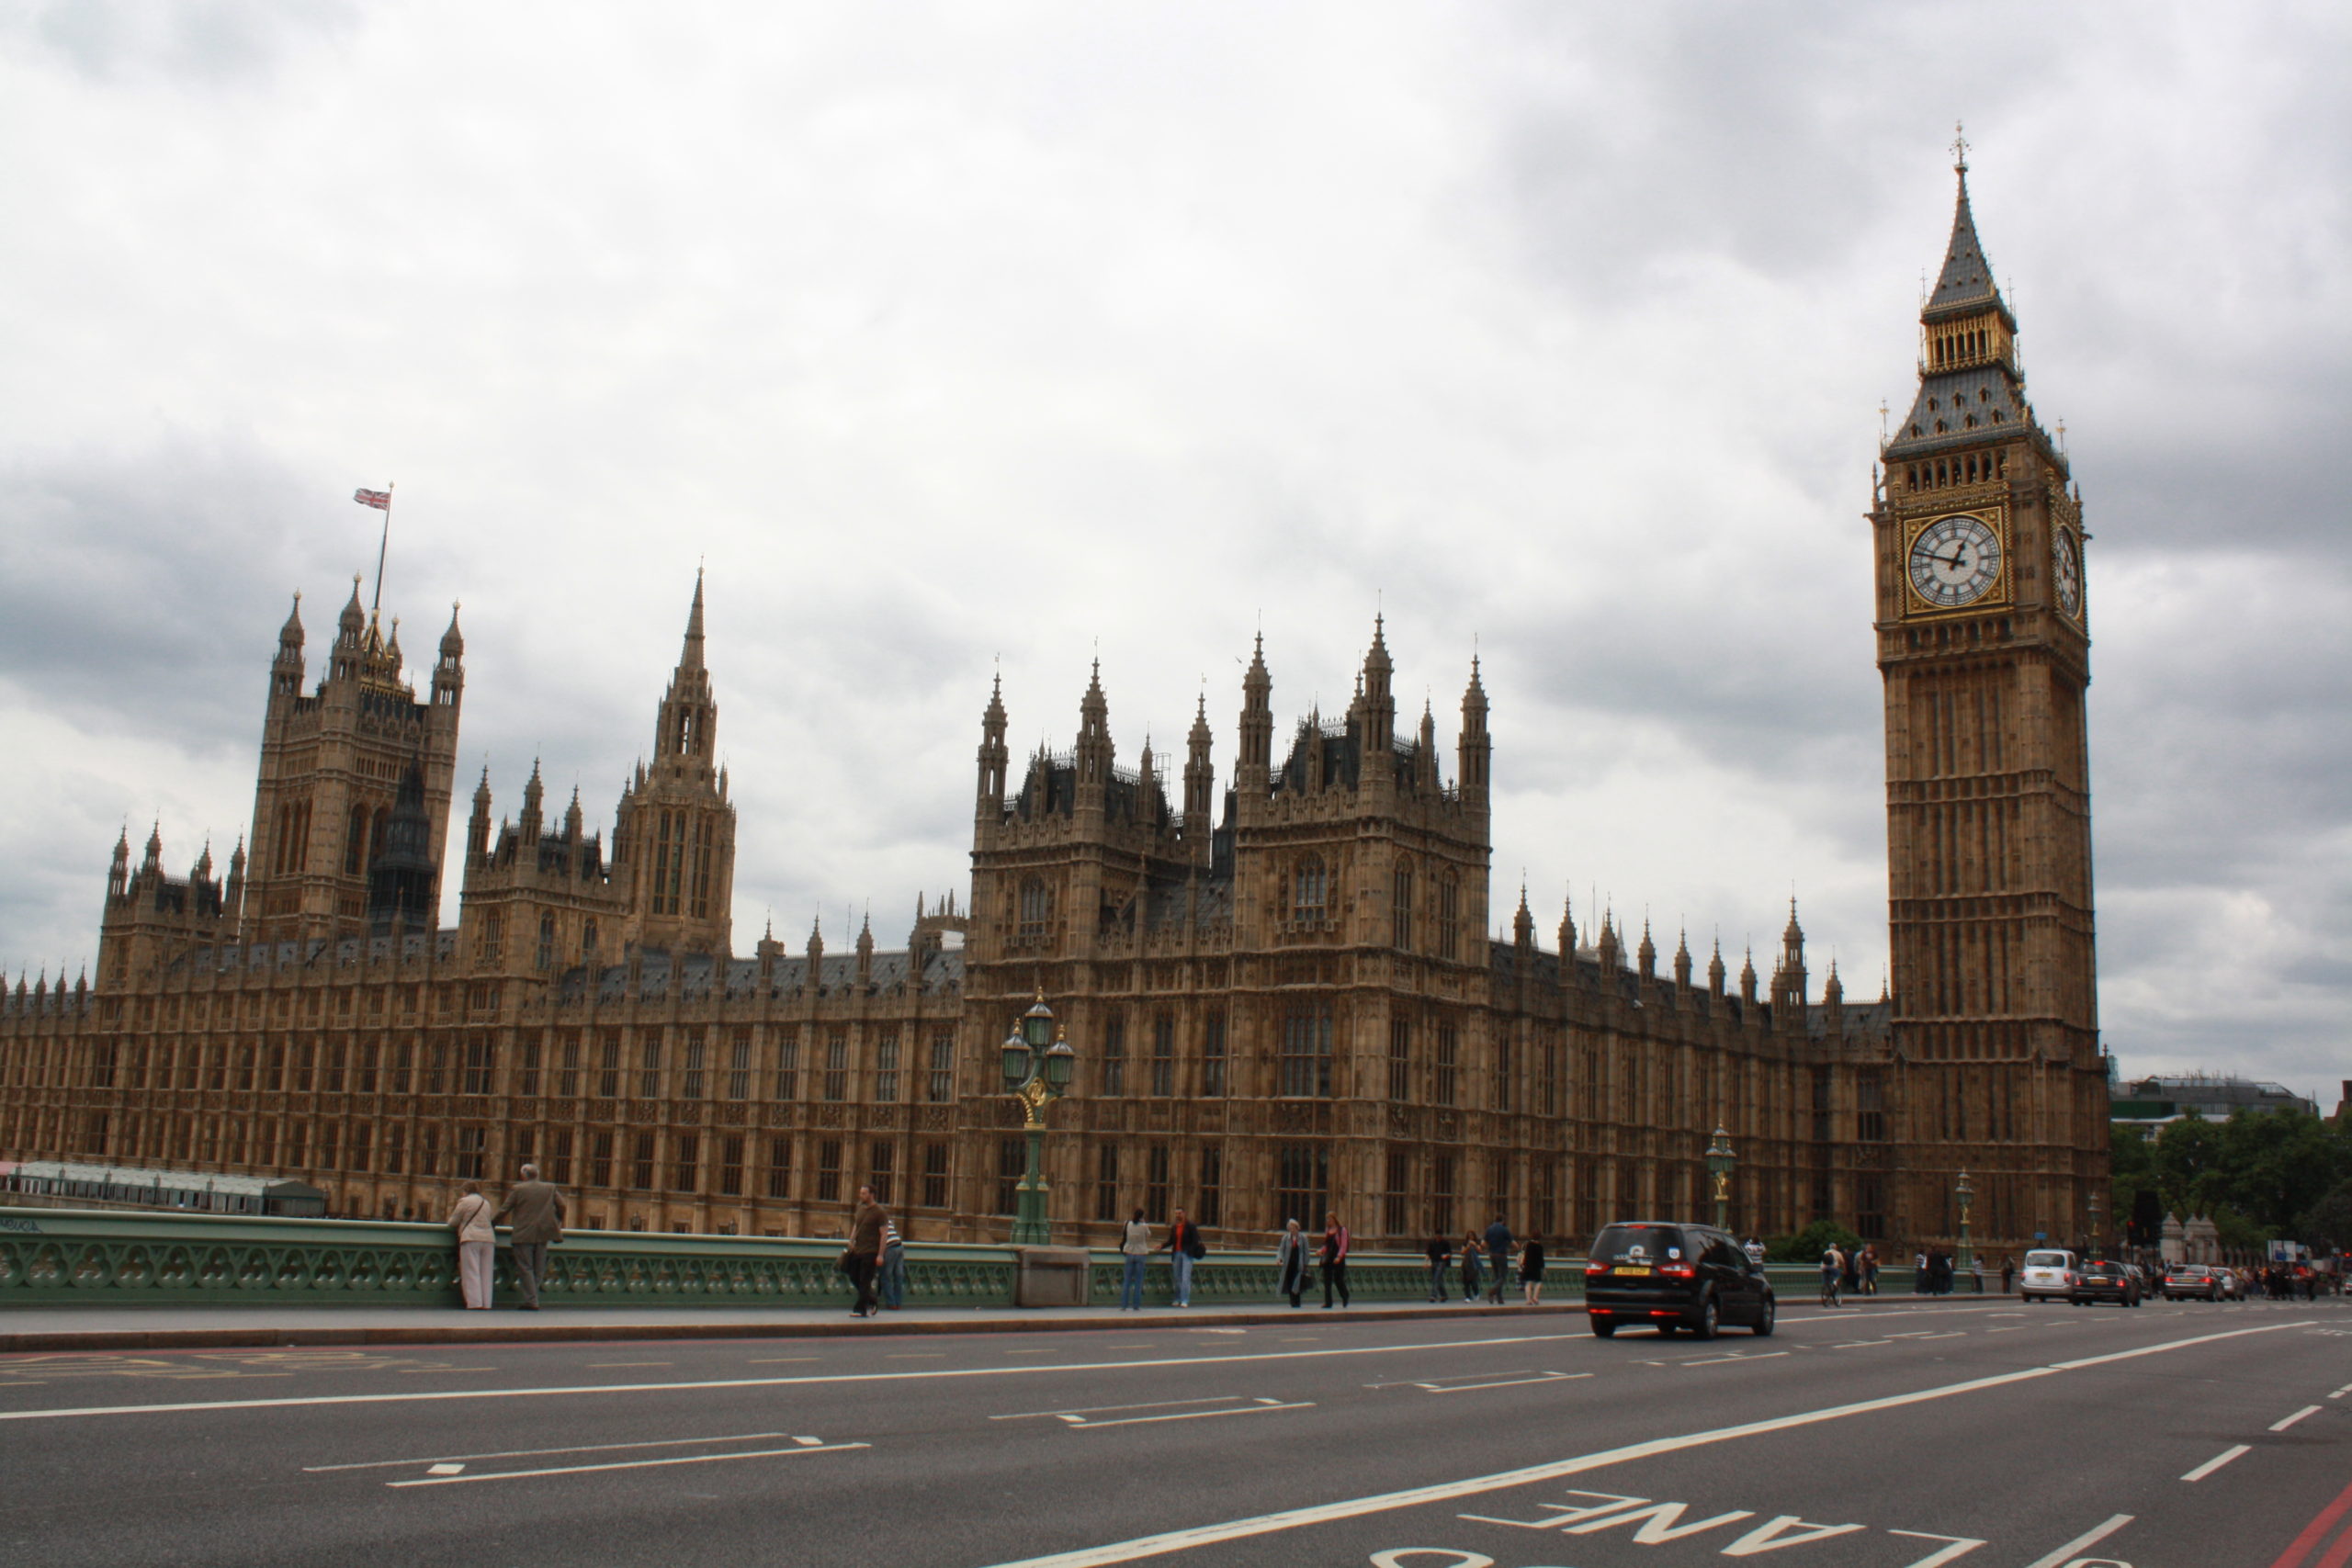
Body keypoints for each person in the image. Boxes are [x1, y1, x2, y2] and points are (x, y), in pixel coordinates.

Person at [493, 1162, 565, 1312]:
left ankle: (532, 1301)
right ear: (537, 1174)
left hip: (524, 1233)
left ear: (523, 1175)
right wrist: (557, 1220)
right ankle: (533, 1298)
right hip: (544, 1232)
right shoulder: (550, 1188)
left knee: (526, 1268)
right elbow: (562, 1206)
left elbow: (504, 1209)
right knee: (539, 1268)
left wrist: (492, 1223)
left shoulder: (518, 1189)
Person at [448, 1181, 494, 1310]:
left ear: (465, 1191)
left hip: (471, 1237)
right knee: (486, 1272)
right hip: (489, 1238)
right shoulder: (486, 1203)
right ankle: (487, 1303)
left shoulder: (465, 1201)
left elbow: (453, 1221)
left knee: (471, 1270)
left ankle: (475, 1303)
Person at [846, 1184, 888, 1318]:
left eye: (864, 1193)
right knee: (853, 1276)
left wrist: (881, 1255)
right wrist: (851, 1241)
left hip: (871, 1251)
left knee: (865, 1280)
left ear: (872, 1194)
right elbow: (856, 1225)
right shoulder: (860, 1208)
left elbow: (884, 1234)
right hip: (858, 1250)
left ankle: (860, 1310)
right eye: (861, 1193)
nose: (861, 1195)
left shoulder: (880, 1212)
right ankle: (872, 1299)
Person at [1162, 1207, 1206, 1307]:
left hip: (1186, 1254)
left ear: (1184, 1214)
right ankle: (1177, 1298)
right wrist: (1162, 1246)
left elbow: (1195, 1240)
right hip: (1176, 1253)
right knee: (1177, 1278)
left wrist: (1189, 1251)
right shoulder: (1174, 1227)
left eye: (1179, 1213)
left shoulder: (1190, 1226)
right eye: (1176, 1213)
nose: (1178, 1215)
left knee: (1185, 1277)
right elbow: (1171, 1241)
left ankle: (1185, 1300)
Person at [1120, 1208, 1151, 1310]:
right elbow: (1149, 1236)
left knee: (1127, 1280)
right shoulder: (1144, 1226)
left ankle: (1124, 1305)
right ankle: (1136, 1306)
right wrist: (1144, 1222)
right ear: (1142, 1216)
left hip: (1129, 1252)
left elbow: (1124, 1234)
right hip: (1141, 1253)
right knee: (1138, 1281)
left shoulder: (1127, 1223)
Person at [1276, 1219, 1310, 1308]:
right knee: (1290, 1282)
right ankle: (1292, 1301)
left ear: (1297, 1228)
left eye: (1293, 1228)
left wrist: (1306, 1264)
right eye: (1290, 1228)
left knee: (1297, 1283)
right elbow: (1281, 1250)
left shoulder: (1303, 1238)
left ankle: (1297, 1302)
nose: (1291, 1230)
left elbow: (1306, 1252)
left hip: (1299, 1264)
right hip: (1289, 1264)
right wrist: (1279, 1259)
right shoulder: (1285, 1238)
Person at [1320, 1212, 1351, 1308]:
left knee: (1338, 1279)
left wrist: (1339, 1257)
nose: (1328, 1221)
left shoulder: (1342, 1230)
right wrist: (1321, 1251)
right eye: (1327, 1219)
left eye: (1329, 1219)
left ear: (1334, 1219)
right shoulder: (1328, 1230)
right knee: (1327, 1281)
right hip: (1328, 1258)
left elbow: (1343, 1245)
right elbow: (1326, 1244)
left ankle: (1345, 1295)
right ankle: (1328, 1303)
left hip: (1338, 1258)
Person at [878, 1215, 907, 1310]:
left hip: (890, 1248)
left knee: (885, 1277)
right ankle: (898, 1303)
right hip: (899, 1246)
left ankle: (891, 1303)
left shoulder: (876, 1221)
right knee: (898, 1276)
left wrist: (880, 1255)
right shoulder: (886, 1219)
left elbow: (881, 1237)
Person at [1484, 1215, 1514, 1305]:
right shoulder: (1504, 1229)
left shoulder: (1489, 1229)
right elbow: (1512, 1242)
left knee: (1496, 1276)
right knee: (1503, 1276)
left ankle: (1499, 1298)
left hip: (1492, 1254)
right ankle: (1492, 1290)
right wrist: (1519, 1249)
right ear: (1503, 1220)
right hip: (1501, 1254)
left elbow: (1483, 1243)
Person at [1519, 1235, 1547, 1306]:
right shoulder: (1540, 1246)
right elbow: (1541, 1259)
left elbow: (1526, 1255)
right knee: (1538, 1282)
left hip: (1528, 1266)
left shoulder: (1528, 1245)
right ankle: (1535, 1297)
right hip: (1536, 1267)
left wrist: (1523, 1264)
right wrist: (1543, 1268)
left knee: (1528, 1283)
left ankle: (1528, 1300)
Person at [1424, 1234, 1453, 1303]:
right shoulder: (1432, 1243)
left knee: (1436, 1278)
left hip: (1442, 1262)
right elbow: (1428, 1253)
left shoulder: (1445, 1243)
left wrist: (1446, 1256)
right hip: (1434, 1262)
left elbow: (1450, 1253)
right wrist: (1426, 1262)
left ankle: (1433, 1296)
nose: (1438, 1238)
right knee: (1437, 1279)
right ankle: (1444, 1295)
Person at [1460, 1230, 1485, 1302]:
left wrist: (1475, 1245)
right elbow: (1462, 1252)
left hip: (1474, 1265)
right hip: (1466, 1264)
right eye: (1469, 1235)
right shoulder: (1465, 1243)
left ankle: (1476, 1293)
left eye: (1472, 1235)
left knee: (1474, 1281)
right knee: (1466, 1281)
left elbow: (1480, 1251)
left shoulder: (1476, 1243)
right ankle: (1468, 1296)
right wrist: (1468, 1246)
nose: (1470, 1237)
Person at [1820, 1242, 1845, 1307]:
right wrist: (1844, 1269)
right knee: (1838, 1276)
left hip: (1824, 1267)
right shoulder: (1838, 1253)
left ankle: (1825, 1289)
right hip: (1833, 1267)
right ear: (1835, 1247)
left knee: (1826, 1280)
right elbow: (1843, 1262)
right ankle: (1835, 1283)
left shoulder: (1826, 1252)